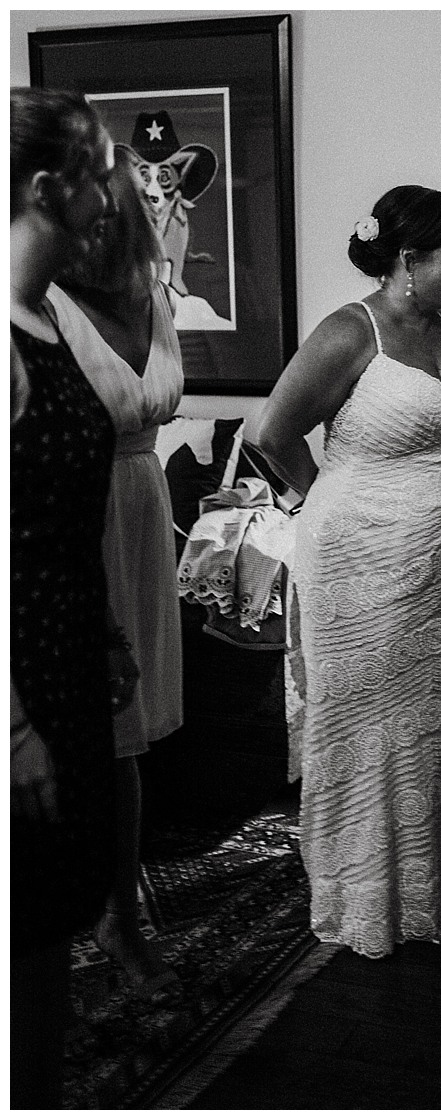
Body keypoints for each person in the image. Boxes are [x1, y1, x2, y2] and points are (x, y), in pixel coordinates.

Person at [247, 185, 441, 958]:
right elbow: (273, 433)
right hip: (359, 558)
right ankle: (363, 894)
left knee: (427, 716)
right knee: (363, 726)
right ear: (406, 260)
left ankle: (436, 879)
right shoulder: (346, 332)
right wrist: (320, 499)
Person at [11, 85, 136, 1107]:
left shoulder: (47, 317)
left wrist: (97, 626)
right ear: (47, 187)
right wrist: (13, 730)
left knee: (47, 919)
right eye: (99, 173)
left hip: (61, 647)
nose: (113, 196)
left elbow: (50, 517)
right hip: (14, 680)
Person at [53, 150, 185, 1001]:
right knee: (78, 729)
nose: (114, 216)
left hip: (141, 501)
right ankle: (77, 906)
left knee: (124, 736)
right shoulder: (37, 308)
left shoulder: (152, 294)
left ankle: (116, 906)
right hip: (69, 515)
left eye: (133, 202)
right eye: (99, 202)